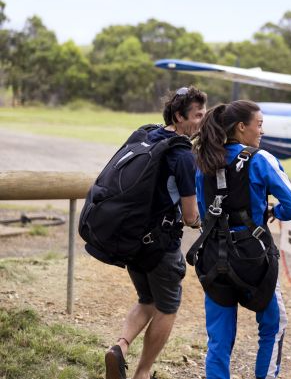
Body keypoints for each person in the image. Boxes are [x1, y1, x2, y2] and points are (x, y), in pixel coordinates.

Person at [191, 100, 291, 379]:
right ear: (242, 127)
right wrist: (271, 211)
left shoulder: (203, 162)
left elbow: (203, 213)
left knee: (218, 340)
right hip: (253, 260)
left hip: (212, 258)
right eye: (260, 125)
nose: (262, 131)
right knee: (273, 326)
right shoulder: (260, 159)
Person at [105, 86, 207, 379]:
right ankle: (143, 373)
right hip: (160, 246)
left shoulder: (147, 136)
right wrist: (205, 222)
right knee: (167, 306)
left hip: (132, 238)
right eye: (197, 115)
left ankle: (120, 347)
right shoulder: (182, 154)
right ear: (179, 115)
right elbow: (189, 217)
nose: (201, 121)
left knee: (146, 300)